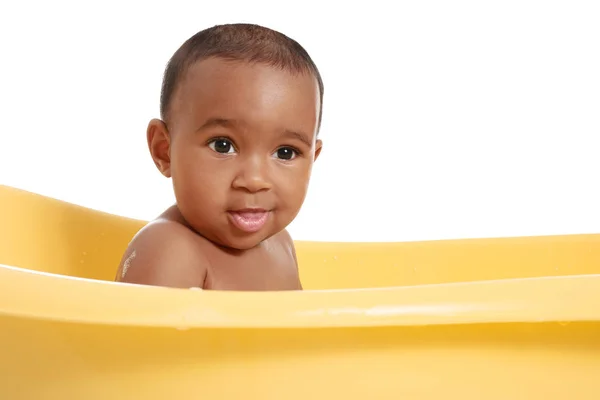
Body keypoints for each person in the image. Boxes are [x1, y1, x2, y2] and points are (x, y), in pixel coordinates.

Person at [115, 23, 324, 290]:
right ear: (163, 150)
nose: (254, 180)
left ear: (312, 159)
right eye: (223, 145)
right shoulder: (171, 249)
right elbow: (134, 333)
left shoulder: (281, 244)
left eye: (286, 152)